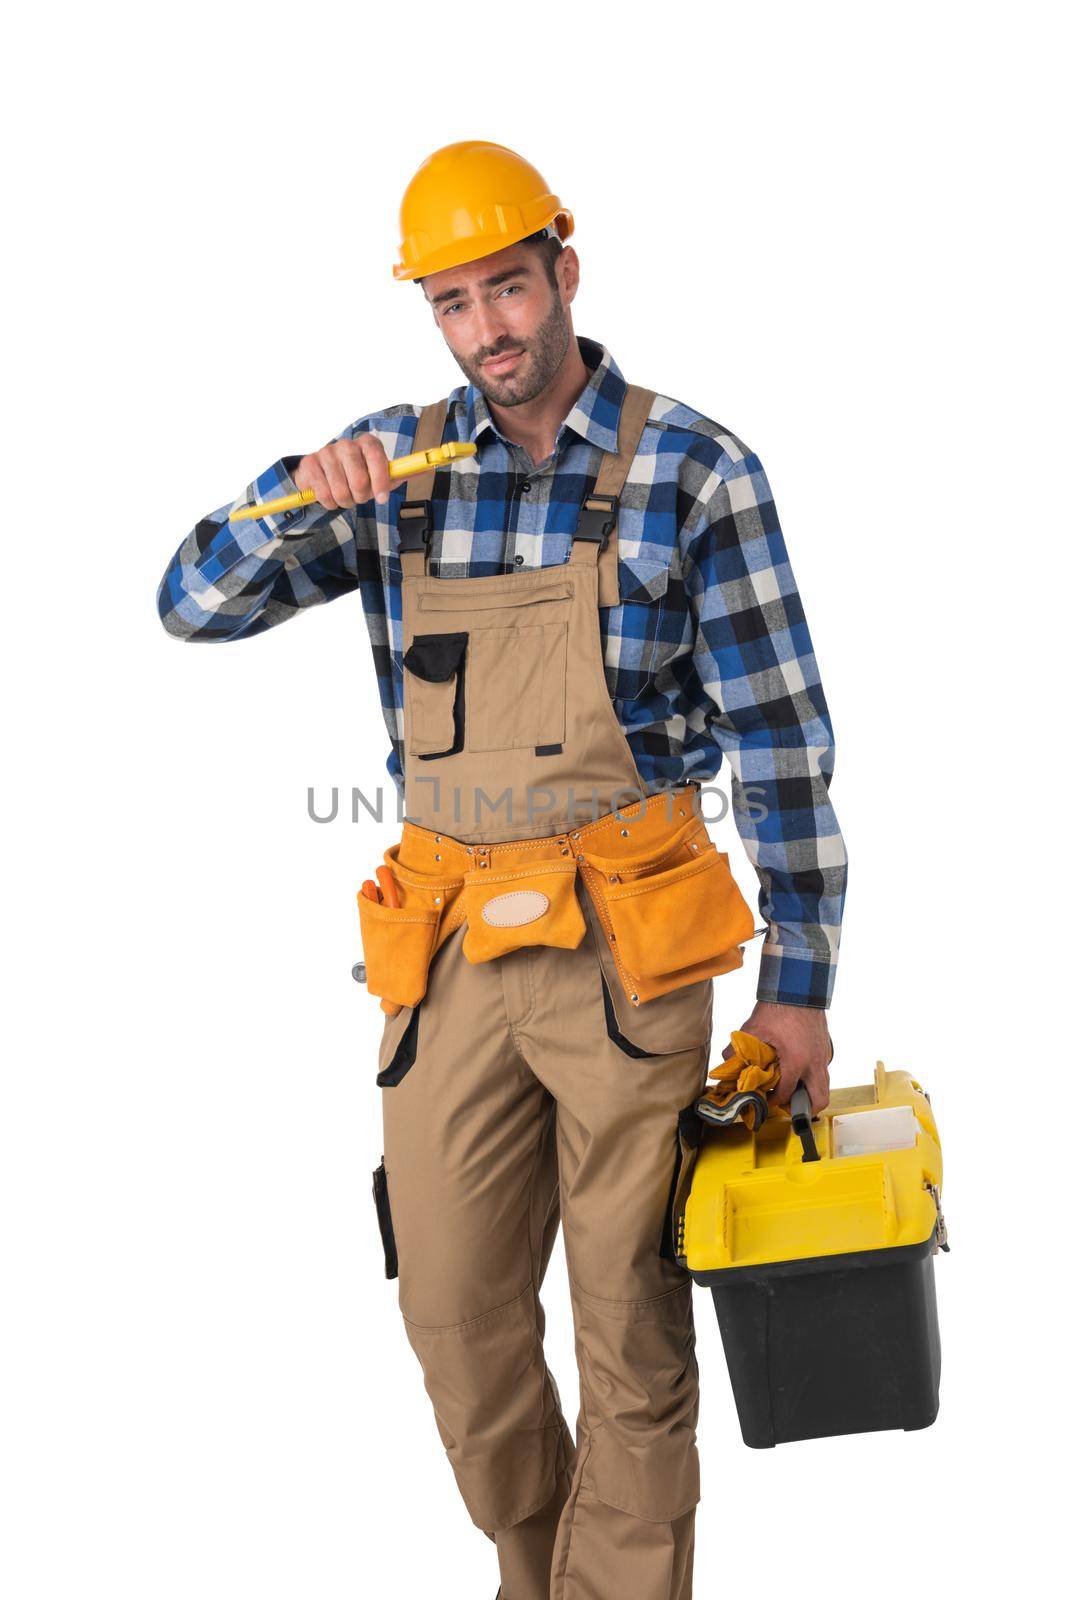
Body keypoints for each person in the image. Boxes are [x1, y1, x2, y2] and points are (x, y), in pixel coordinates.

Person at [157, 140, 846, 1600]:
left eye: (509, 289)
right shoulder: (395, 471)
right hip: (448, 957)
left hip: (627, 957)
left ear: (565, 270)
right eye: (455, 305)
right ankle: (539, 1574)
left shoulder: (693, 469)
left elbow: (782, 740)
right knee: (457, 1320)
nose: (489, 332)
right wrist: (294, 488)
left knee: (631, 1324)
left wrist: (798, 991)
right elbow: (187, 603)